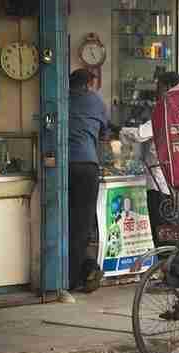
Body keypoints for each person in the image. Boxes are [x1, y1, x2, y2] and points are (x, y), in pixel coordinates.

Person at [64, 69, 115, 302]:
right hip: (87, 166)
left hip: (61, 167)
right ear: (88, 84)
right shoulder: (95, 101)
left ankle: (63, 274)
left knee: (62, 221)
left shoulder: (61, 98)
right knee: (82, 224)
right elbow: (105, 134)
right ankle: (73, 280)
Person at [120, 72, 179, 243]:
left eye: (159, 88)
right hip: (176, 182)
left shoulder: (165, 111)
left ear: (169, 88)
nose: (156, 92)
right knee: (172, 228)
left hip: (159, 183)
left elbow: (141, 134)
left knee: (159, 229)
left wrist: (121, 131)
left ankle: (164, 264)